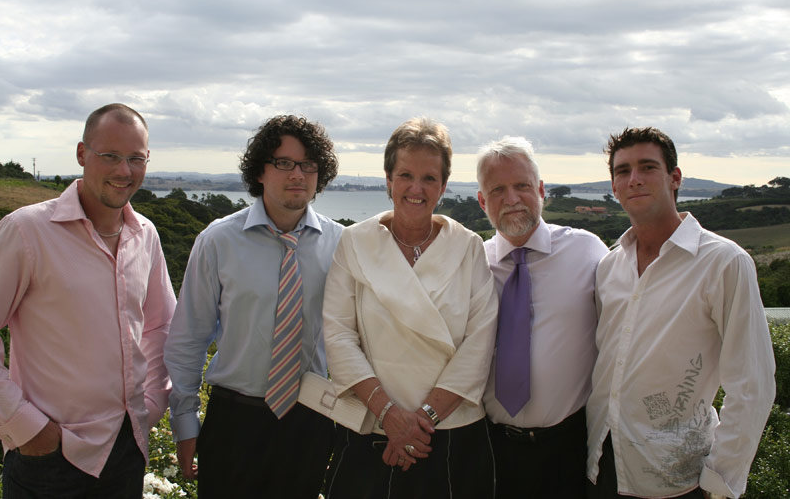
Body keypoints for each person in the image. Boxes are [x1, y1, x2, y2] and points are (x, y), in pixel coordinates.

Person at [0, 103, 176, 497]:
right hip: (49, 456)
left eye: (135, 158)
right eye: (109, 156)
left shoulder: (146, 234)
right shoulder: (26, 231)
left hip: (127, 450)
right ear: (81, 154)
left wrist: (153, 403)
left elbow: (161, 326)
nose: (124, 170)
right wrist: (25, 425)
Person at [586, 127, 776, 499]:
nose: (634, 179)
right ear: (613, 186)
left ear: (674, 178)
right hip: (601, 465)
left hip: (678, 480)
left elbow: (752, 383)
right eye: (623, 171)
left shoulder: (723, 262)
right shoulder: (609, 267)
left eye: (647, 167)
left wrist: (719, 480)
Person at [164, 114, 343, 497]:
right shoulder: (218, 241)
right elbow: (188, 339)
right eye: (284, 163)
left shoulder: (342, 245)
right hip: (234, 423)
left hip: (309, 422)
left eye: (308, 164)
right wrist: (185, 423)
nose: (297, 174)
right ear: (260, 171)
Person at [323, 117, 499, 498]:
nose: (416, 188)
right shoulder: (354, 243)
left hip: (451, 435)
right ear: (388, 180)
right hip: (371, 431)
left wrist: (419, 424)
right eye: (405, 175)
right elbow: (338, 336)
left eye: (429, 178)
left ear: (444, 186)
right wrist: (391, 417)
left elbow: (480, 341)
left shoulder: (468, 247)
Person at [477, 137, 609, 498]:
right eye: (498, 189)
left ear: (541, 190)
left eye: (522, 186)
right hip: (489, 449)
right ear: (482, 201)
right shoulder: (472, 265)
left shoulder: (588, 252)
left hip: (567, 449)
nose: (512, 198)